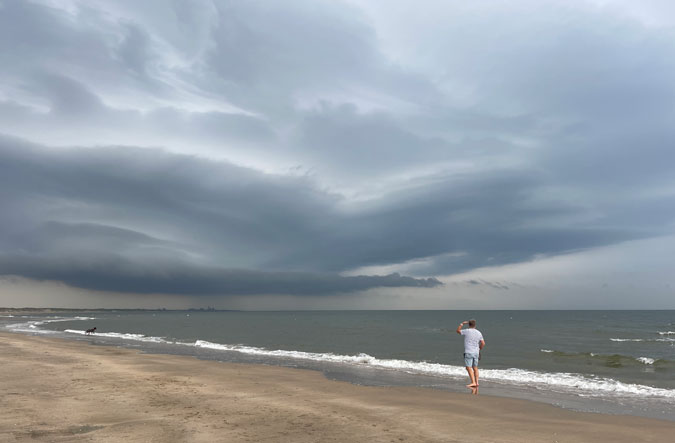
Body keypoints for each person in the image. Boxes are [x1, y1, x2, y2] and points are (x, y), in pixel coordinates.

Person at [456, 319, 485, 388]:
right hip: (476, 352)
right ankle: (477, 382)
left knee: (468, 367)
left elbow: (458, 331)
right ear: (475, 325)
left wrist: (462, 324)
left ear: (469, 324)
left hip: (469, 352)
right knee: (475, 367)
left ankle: (473, 382)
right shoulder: (479, 332)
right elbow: (483, 343)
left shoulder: (467, 331)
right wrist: (479, 348)